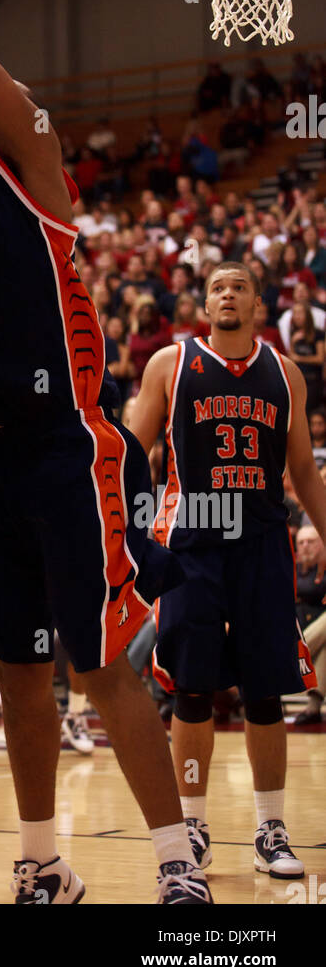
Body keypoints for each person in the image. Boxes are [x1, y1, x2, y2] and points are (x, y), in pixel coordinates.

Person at [0, 0, 210, 904]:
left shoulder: (34, 170)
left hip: (64, 444)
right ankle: (40, 863)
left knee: (96, 666)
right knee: (20, 670)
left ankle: (178, 864)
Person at [129, 261, 326, 880]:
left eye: (239, 286)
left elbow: (304, 470)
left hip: (262, 544)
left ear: (258, 305)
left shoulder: (285, 373)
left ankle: (271, 828)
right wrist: (128, 535)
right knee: (192, 689)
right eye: (217, 286)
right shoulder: (170, 363)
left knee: (264, 693)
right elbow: (134, 455)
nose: (228, 294)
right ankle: (191, 824)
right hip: (190, 544)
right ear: (205, 303)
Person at [292, 524, 326, 725]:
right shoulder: (289, 568)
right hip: (292, 636)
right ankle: (295, 652)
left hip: (314, 642)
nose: (305, 546)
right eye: (301, 542)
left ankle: (312, 709)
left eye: (311, 542)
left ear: (322, 544)